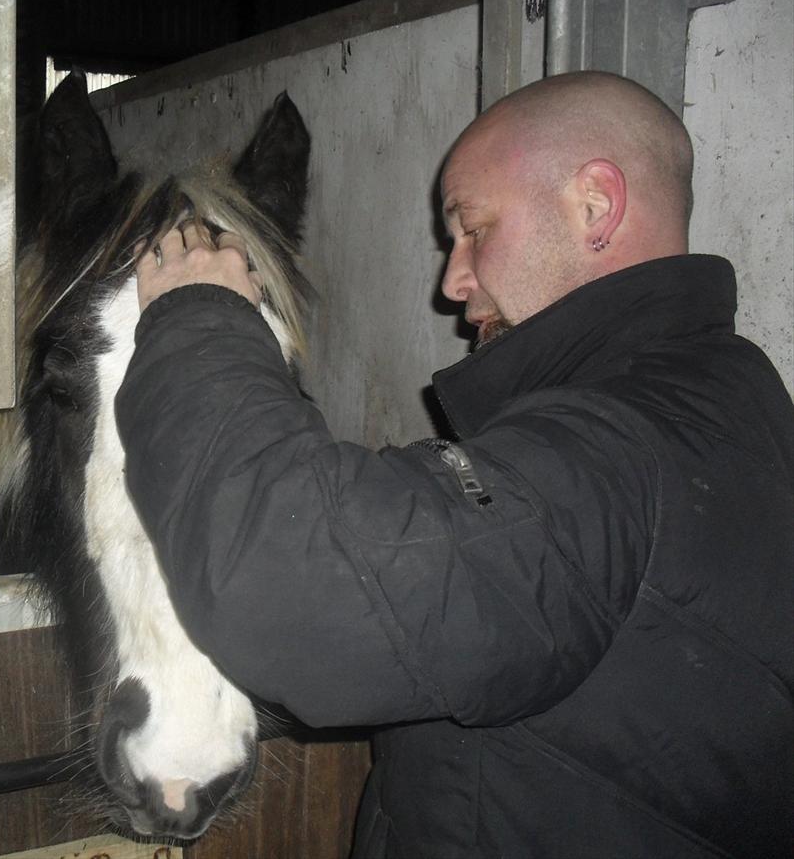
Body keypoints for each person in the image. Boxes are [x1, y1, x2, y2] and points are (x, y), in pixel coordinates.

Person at [115, 71, 794, 858]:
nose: (453, 281)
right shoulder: (725, 391)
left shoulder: (617, 448)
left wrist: (200, 317)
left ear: (596, 208)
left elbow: (293, 586)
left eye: (472, 229)